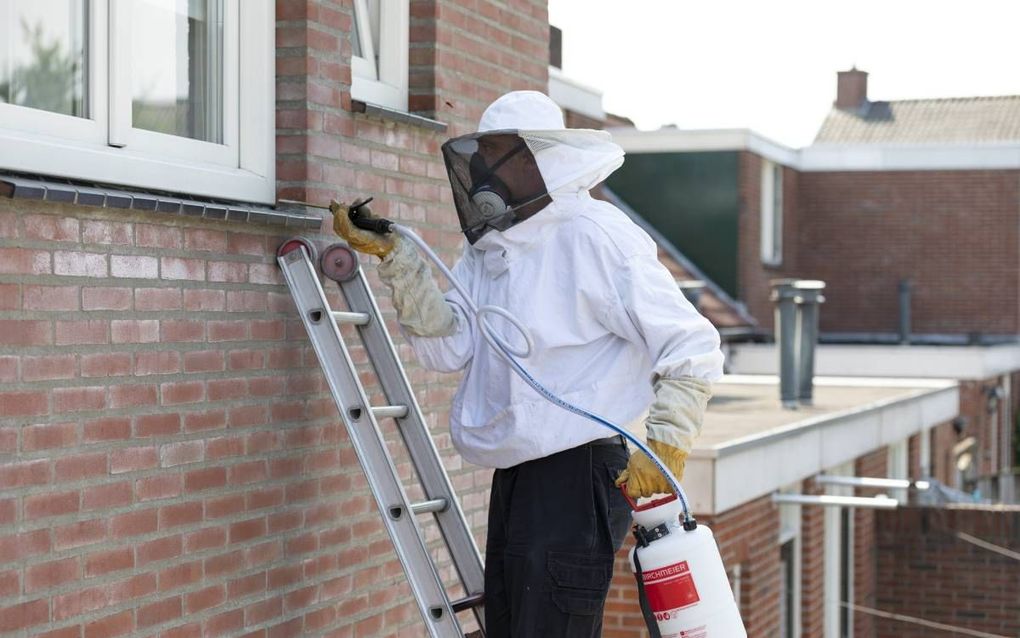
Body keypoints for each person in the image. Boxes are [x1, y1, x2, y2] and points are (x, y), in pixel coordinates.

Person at [331, 90, 724, 637]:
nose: (487, 169)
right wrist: (399, 260)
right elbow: (449, 348)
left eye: (500, 155)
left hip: (577, 476)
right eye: (483, 155)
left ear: (539, 157)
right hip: (516, 480)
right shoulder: (489, 249)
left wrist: (667, 443)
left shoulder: (595, 234)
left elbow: (691, 344)